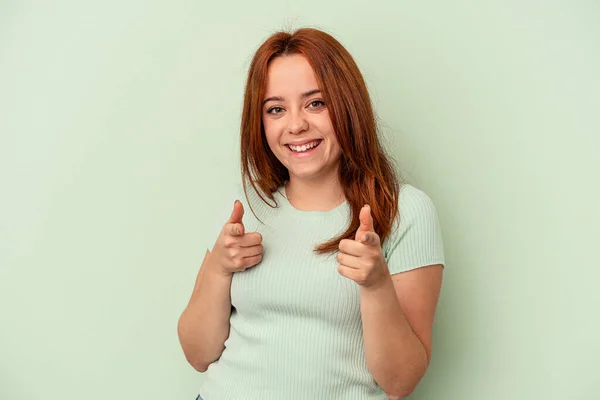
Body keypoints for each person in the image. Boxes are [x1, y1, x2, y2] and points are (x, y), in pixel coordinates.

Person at [177, 27, 445, 400]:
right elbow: (198, 355)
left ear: (348, 106)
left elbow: (401, 383)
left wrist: (376, 285)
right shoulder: (246, 206)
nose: (296, 124)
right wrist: (219, 270)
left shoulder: (405, 211)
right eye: (275, 109)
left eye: (316, 103)